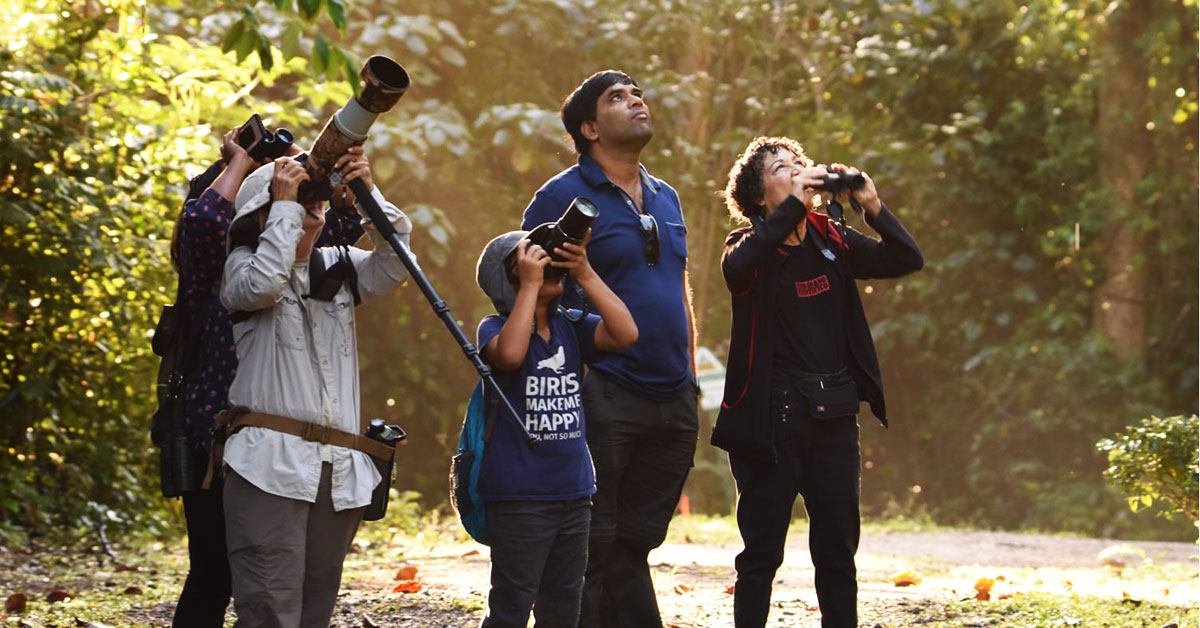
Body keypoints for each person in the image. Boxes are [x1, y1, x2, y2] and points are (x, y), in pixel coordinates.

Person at [712, 136, 923, 627]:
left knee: (837, 556)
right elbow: (739, 268)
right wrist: (793, 208)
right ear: (759, 195)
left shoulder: (831, 238)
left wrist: (872, 206)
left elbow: (906, 259)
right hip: (772, 423)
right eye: (781, 168)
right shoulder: (746, 247)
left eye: (798, 163)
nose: (797, 170)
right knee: (761, 555)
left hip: (833, 417)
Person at [521, 70, 699, 627]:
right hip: (605, 389)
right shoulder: (560, 195)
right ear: (591, 128)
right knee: (594, 546)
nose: (636, 102)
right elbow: (527, 288)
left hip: (673, 396)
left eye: (637, 93)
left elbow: (679, 286)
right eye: (617, 98)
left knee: (635, 543)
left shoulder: (666, 195)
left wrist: (691, 376)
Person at [167, 131, 363, 627]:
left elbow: (341, 226)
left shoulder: (298, 243)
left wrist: (334, 177)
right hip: (217, 424)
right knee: (214, 571)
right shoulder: (221, 258)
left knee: (291, 578)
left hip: (294, 433)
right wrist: (238, 163)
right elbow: (205, 219)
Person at [217, 149, 410, 627]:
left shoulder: (336, 268)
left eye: (316, 205)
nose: (312, 215)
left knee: (314, 611)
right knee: (268, 610)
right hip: (267, 466)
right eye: (299, 205)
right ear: (263, 213)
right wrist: (283, 204)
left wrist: (366, 192)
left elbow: (396, 260)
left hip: (337, 471)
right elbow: (263, 285)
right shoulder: (242, 268)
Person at [473, 226, 638, 627]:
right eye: (530, 259)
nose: (544, 265)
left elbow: (626, 332)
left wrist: (583, 271)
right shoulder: (492, 329)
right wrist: (529, 288)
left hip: (574, 491)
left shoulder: (571, 327)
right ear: (507, 278)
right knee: (512, 605)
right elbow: (511, 356)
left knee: (564, 606)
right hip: (520, 497)